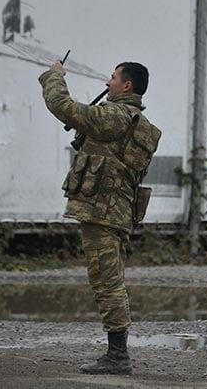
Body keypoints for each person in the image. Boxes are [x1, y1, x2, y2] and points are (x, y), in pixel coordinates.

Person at [39, 60, 161, 375]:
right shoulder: (137, 122)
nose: (107, 82)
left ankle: (118, 357)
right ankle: (116, 353)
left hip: (102, 211)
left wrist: (55, 76)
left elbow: (63, 106)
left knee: (107, 282)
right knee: (109, 280)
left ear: (127, 86)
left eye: (113, 77)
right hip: (117, 211)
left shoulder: (115, 117)